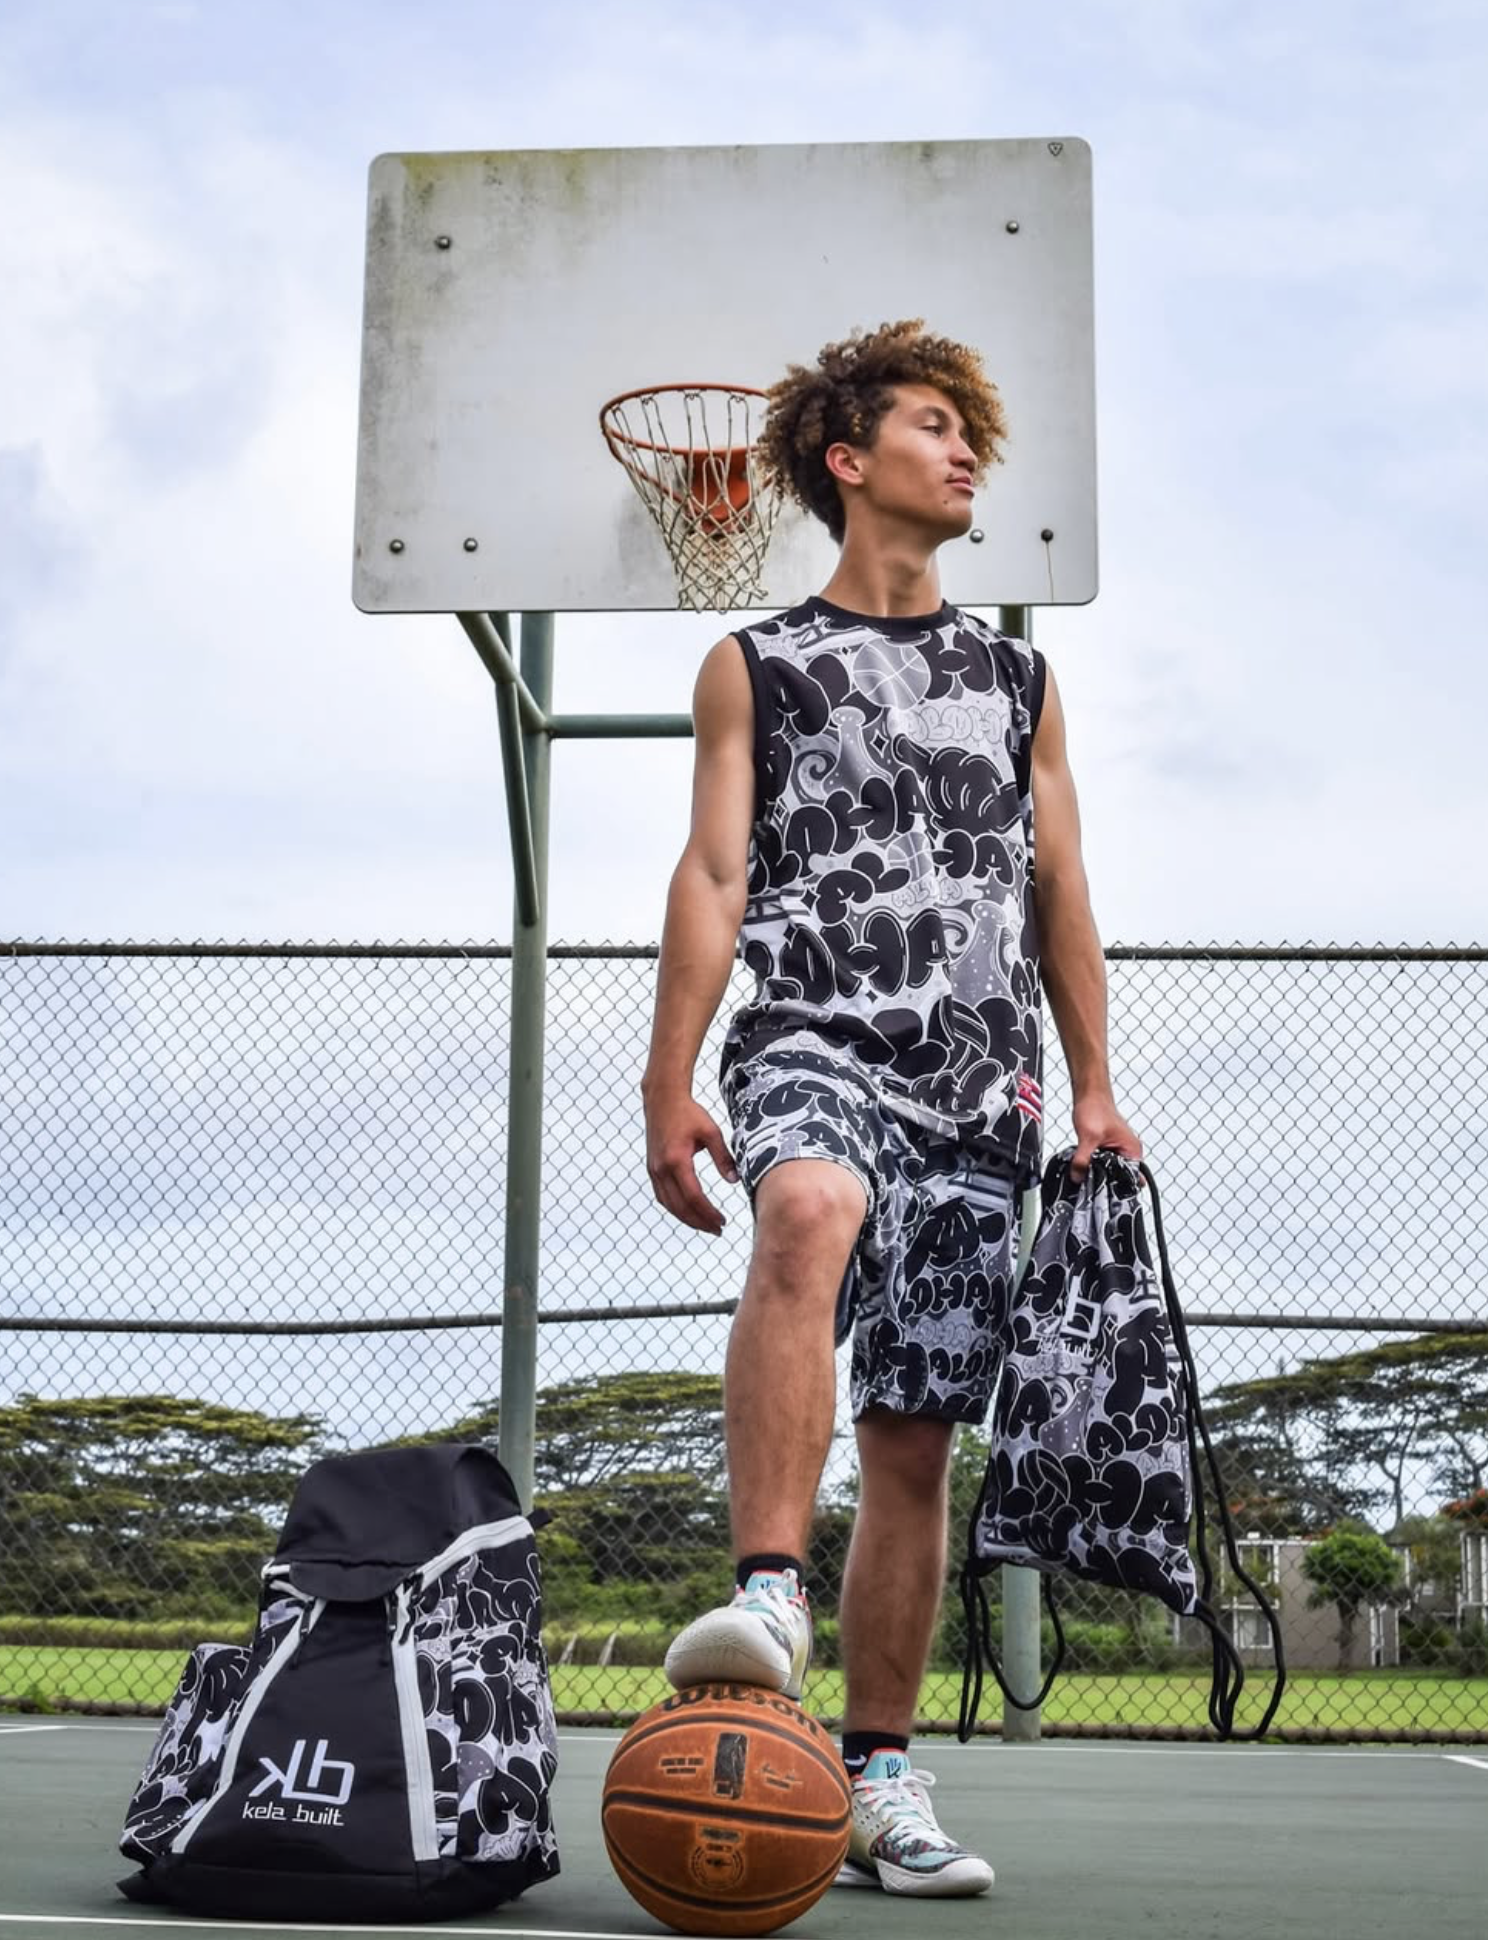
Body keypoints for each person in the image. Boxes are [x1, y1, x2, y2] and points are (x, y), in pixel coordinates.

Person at [641, 319, 1140, 1898]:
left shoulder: (1020, 678)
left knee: (915, 1441)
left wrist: (1098, 1086)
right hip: (811, 1035)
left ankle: (878, 1782)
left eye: (969, 432)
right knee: (807, 1207)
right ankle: (772, 1590)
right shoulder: (755, 665)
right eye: (937, 426)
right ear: (853, 462)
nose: (967, 450)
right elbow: (715, 875)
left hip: (981, 1080)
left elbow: (1062, 885)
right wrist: (669, 1076)